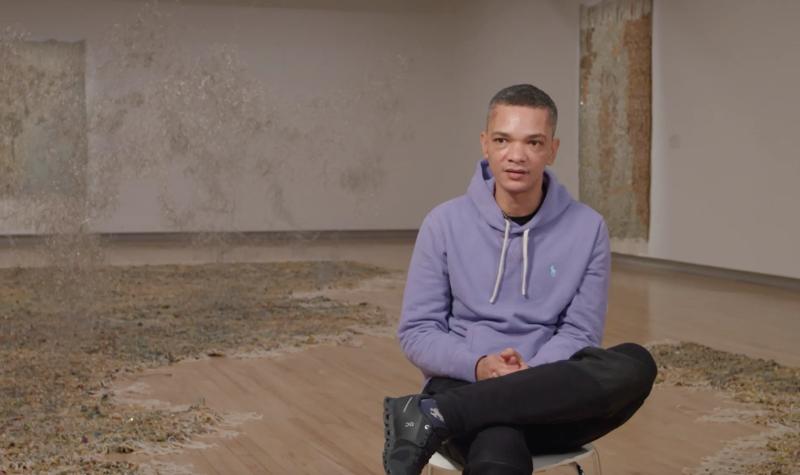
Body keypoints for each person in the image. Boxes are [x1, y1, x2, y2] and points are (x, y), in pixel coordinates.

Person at [382, 84, 657, 475]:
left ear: (552, 149)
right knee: (498, 442)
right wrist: (480, 367)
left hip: (547, 392)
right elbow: (418, 331)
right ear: (485, 144)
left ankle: (432, 416)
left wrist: (529, 376)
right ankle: (448, 409)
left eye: (533, 142)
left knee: (635, 363)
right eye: (502, 139)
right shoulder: (442, 223)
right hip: (462, 380)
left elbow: (580, 334)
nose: (516, 155)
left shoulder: (588, 228)